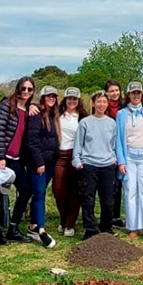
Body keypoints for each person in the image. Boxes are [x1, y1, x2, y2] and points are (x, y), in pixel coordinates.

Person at [0, 76, 36, 245]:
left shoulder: (29, 109)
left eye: (29, 89)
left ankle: (13, 228)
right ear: (18, 89)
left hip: (16, 159)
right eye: (23, 88)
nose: (26, 92)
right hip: (0, 158)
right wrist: (0, 156)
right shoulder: (6, 106)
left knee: (25, 189)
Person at [115, 82, 143, 241]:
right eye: (133, 93)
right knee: (130, 192)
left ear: (142, 95)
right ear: (128, 95)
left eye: (138, 93)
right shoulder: (121, 114)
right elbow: (119, 140)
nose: (136, 96)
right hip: (129, 158)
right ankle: (133, 226)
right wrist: (121, 160)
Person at [73, 91, 118, 238]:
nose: (101, 104)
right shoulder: (85, 122)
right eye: (98, 101)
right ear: (93, 103)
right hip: (89, 165)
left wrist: (115, 159)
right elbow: (78, 144)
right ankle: (90, 228)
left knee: (108, 200)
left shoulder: (112, 123)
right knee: (88, 199)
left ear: (107, 104)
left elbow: (115, 145)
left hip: (108, 165)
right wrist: (77, 161)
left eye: (104, 102)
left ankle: (106, 226)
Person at [23, 86, 59, 248]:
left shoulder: (53, 115)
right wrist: (39, 162)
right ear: (43, 97)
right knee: (39, 194)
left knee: (39, 192)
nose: (51, 98)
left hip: (50, 162)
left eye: (54, 96)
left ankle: (33, 226)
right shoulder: (36, 114)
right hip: (38, 163)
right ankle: (42, 231)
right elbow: (32, 141)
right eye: (48, 96)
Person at [54, 87, 86, 236]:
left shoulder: (82, 117)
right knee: (58, 190)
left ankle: (70, 224)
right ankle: (63, 218)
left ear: (78, 101)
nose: (72, 101)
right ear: (65, 100)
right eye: (69, 98)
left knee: (74, 191)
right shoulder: (58, 114)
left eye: (75, 99)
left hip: (75, 155)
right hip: (60, 155)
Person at [104, 80, 126, 227]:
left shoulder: (124, 108)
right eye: (111, 91)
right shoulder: (102, 108)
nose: (114, 93)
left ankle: (116, 216)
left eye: (117, 90)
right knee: (108, 185)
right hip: (106, 149)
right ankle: (107, 215)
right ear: (106, 93)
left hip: (122, 148)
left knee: (119, 184)